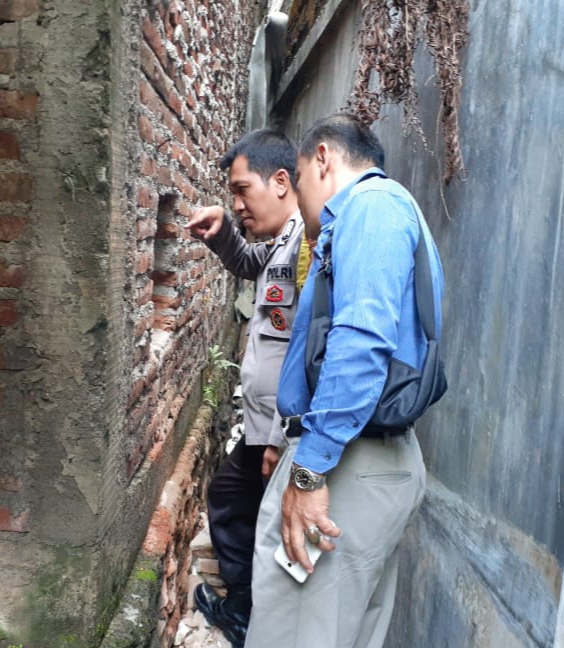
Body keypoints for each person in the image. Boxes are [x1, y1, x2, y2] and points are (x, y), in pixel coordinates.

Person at [244, 113, 445, 648]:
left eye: (301, 179)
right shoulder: (384, 214)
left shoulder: (371, 209)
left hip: (349, 463)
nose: (302, 202)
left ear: (323, 159)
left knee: (295, 633)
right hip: (358, 457)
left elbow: (360, 345)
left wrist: (309, 470)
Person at [184, 128, 307, 648]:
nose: (236, 205)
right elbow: (248, 263)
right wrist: (221, 233)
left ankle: (253, 618)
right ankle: (245, 609)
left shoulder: (309, 243)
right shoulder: (283, 241)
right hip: (261, 425)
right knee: (235, 500)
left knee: (250, 513)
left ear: (280, 181)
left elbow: (307, 348)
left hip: (277, 432)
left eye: (241, 191)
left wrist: (281, 437)